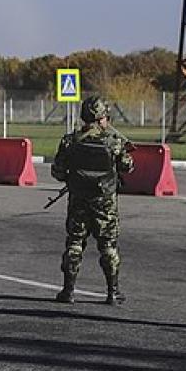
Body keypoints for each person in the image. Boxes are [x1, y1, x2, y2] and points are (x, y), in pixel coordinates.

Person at [52, 96, 135, 305]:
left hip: (78, 200)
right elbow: (128, 167)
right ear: (102, 117)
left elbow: (58, 172)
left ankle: (68, 291)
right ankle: (112, 292)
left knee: (74, 244)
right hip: (105, 203)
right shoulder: (114, 141)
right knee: (108, 246)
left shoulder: (70, 141)